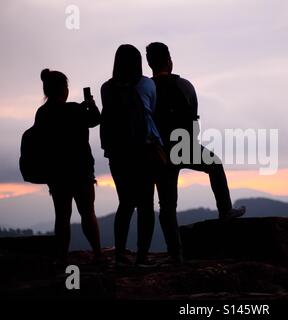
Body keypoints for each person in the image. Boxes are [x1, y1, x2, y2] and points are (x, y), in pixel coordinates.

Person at [145, 42, 246, 263]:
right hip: (185, 146)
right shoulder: (185, 85)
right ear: (169, 60)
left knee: (167, 204)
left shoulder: (147, 89)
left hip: (160, 152)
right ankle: (225, 210)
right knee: (215, 165)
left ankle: (175, 254)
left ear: (149, 63)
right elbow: (193, 118)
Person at [100, 44, 164, 267]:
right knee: (146, 205)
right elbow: (152, 111)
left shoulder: (106, 88)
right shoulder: (147, 84)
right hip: (144, 151)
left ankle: (119, 254)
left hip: (117, 154)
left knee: (125, 203)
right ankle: (142, 256)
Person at [34, 68, 102, 264]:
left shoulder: (42, 113)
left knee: (62, 216)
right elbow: (96, 120)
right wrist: (90, 104)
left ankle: (62, 258)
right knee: (88, 212)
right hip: (81, 171)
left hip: (56, 174)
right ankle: (98, 254)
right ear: (63, 89)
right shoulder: (74, 109)